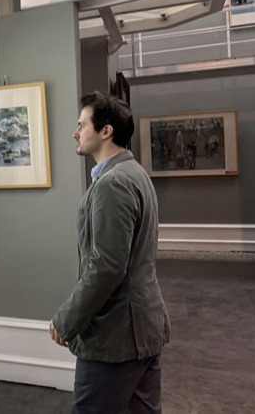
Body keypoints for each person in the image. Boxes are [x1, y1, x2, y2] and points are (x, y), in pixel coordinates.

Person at [49, 92, 171, 414]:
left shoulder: (112, 183)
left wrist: (66, 320)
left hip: (116, 337)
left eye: (82, 125)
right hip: (143, 328)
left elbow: (107, 266)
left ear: (106, 131)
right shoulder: (135, 173)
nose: (75, 133)